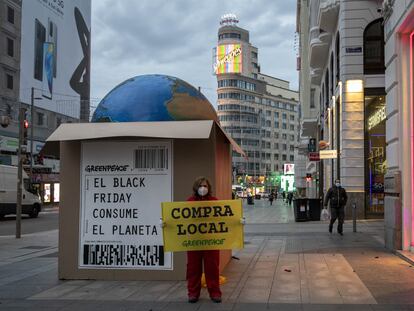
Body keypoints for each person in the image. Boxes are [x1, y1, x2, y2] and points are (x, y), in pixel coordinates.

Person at [186, 177, 222, 304]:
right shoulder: (189, 202)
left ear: (209, 188)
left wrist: (238, 222)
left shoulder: (214, 201)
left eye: (205, 186)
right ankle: (193, 293)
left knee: (212, 268)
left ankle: (215, 293)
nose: (203, 188)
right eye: (201, 186)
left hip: (211, 242)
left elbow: (223, 218)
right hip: (194, 242)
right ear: (196, 187)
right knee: (193, 269)